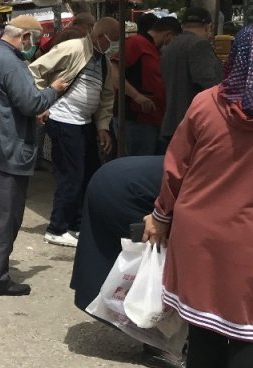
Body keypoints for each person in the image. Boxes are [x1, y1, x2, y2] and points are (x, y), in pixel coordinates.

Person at [144, 24, 253, 368]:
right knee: (250, 335)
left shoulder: (205, 103)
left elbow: (175, 170)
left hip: (198, 239)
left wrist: (162, 216)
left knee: (204, 333)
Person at [0, 15, 67, 296]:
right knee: (4, 217)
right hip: (1, 150)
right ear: (25, 38)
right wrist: (53, 92)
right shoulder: (11, 63)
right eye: (33, 40)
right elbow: (30, 103)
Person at [68, 156, 180, 365]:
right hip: (127, 189)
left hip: (115, 177)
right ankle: (161, 347)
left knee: (145, 259)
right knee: (160, 266)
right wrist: (160, 216)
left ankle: (157, 337)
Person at [28, 18, 121, 248]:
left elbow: (106, 96)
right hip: (63, 119)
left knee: (90, 174)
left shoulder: (104, 62)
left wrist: (102, 127)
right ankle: (57, 227)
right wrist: (42, 103)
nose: (115, 47)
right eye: (114, 42)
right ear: (101, 37)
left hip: (84, 122)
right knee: (71, 175)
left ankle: (77, 224)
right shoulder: (73, 48)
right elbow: (35, 70)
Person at [158, 7, 222, 154]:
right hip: (193, 127)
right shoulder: (200, 45)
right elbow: (209, 85)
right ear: (208, 27)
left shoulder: (170, 46)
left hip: (172, 123)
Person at [121, 16, 181, 157]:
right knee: (138, 163)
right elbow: (114, 70)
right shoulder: (136, 42)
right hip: (136, 119)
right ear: (168, 35)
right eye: (173, 40)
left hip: (153, 118)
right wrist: (137, 96)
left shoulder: (155, 49)